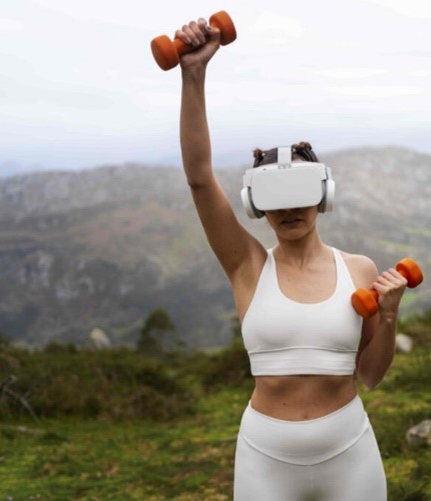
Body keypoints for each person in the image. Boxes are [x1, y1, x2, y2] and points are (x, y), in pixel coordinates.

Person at [173, 17, 408, 501]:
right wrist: (192, 75)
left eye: (300, 192)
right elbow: (199, 178)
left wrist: (388, 316)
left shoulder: (358, 270)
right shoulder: (248, 268)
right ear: (256, 205)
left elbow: (371, 374)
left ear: (322, 195)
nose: (290, 208)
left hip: (350, 453)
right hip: (266, 459)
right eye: (274, 197)